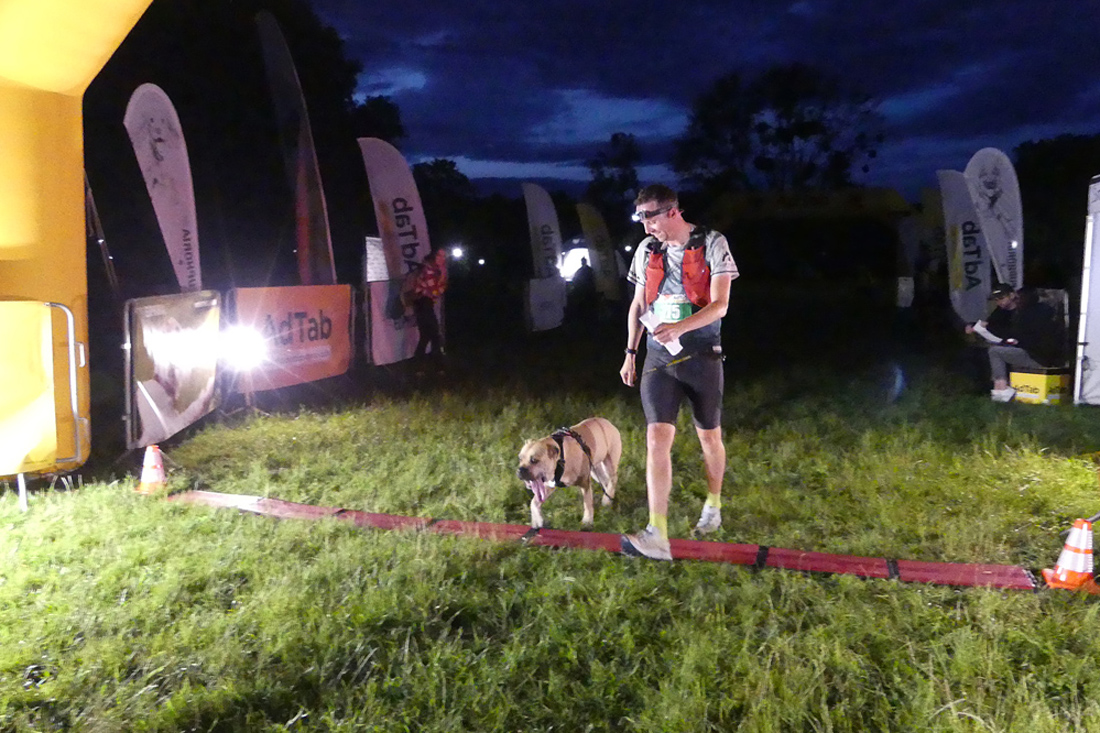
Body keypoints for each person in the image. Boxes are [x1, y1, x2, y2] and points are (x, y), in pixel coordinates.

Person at [619, 184, 739, 560]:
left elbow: (720, 305)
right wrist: (630, 353)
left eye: (650, 218)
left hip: (702, 356)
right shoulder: (646, 250)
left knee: (710, 438)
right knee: (656, 439)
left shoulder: (713, 243)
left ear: (672, 212)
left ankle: (713, 505)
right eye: (640, 219)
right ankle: (657, 533)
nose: (646, 227)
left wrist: (680, 328)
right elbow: (638, 305)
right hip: (658, 360)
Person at [965, 283, 1064, 402]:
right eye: (996, 300)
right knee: (981, 352)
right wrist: (976, 325)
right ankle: (986, 388)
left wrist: (1007, 338)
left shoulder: (1033, 313)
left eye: (1002, 298)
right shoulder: (1004, 312)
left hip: (1037, 355)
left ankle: (1001, 389)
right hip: (1025, 349)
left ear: (1014, 296)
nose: (999, 302)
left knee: (995, 352)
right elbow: (994, 326)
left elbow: (1023, 336)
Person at [406, 247, 449, 360]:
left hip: (425, 303)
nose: (442, 258)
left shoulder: (438, 269)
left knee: (426, 335)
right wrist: (442, 282)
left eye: (444, 256)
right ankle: (437, 361)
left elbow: (436, 291)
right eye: (439, 255)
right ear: (434, 256)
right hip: (422, 302)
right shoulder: (429, 269)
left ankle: (419, 361)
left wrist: (440, 285)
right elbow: (435, 291)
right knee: (434, 333)